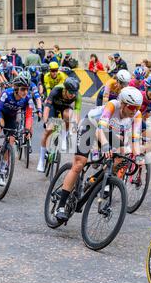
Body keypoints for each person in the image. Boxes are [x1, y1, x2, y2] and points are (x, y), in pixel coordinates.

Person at [53, 86, 144, 222]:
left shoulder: (137, 115)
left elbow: (135, 139)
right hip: (90, 126)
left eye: (138, 107)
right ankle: (60, 206)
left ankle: (95, 180)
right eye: (132, 107)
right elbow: (100, 128)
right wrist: (106, 145)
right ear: (123, 104)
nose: (135, 111)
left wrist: (138, 157)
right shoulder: (112, 105)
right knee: (79, 164)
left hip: (109, 132)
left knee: (124, 155)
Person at [0, 75, 33, 185]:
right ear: (16, 88)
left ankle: (1, 171)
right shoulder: (7, 93)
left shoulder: (27, 99)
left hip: (11, 116)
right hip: (0, 112)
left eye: (27, 89)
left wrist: (28, 130)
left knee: (11, 140)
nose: (25, 92)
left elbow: (28, 115)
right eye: (23, 89)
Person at [37, 77, 82, 172]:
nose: (72, 95)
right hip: (53, 106)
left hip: (65, 107)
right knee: (48, 130)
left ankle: (64, 136)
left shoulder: (77, 96)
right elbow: (47, 108)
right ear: (65, 89)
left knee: (69, 114)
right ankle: (41, 160)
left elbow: (77, 114)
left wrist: (75, 127)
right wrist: (45, 122)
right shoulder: (56, 90)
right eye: (70, 93)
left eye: (74, 93)